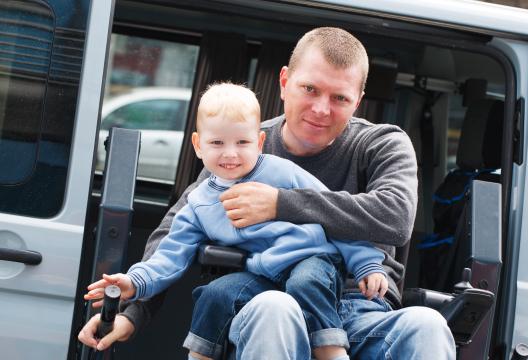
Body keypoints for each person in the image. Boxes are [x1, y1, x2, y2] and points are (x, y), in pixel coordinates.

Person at [79, 27, 456, 359]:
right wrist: (132, 312)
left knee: (428, 325)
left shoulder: (382, 144)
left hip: (360, 308)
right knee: (276, 307)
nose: (321, 109)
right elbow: (176, 231)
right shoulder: (240, 146)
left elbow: (395, 217)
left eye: (339, 98)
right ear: (284, 81)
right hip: (265, 301)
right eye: (310, 89)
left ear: (358, 99)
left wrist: (280, 204)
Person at [83, 83, 388, 360]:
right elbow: (169, 254)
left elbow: (334, 216)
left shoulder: (283, 173)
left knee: (306, 281)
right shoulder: (199, 202)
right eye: (217, 143)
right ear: (198, 144)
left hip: (314, 261)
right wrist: (135, 282)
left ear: (260, 141)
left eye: (242, 142)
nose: (230, 154)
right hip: (264, 273)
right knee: (215, 294)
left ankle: (331, 352)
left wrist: (367, 264)